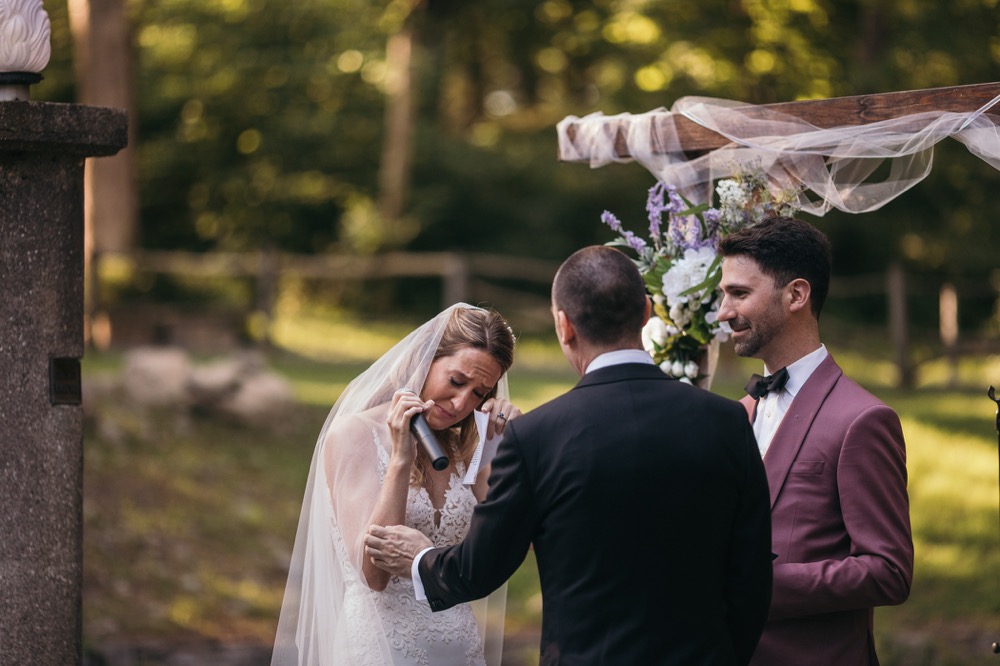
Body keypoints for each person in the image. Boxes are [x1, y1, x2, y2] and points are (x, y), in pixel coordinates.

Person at [364, 245, 773, 665]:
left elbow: (480, 569)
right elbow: (753, 574)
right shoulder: (727, 421)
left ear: (563, 325)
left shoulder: (537, 436)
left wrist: (421, 560)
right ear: (647, 311)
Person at [270, 304, 521, 666]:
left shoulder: (466, 451)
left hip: (459, 646)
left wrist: (509, 450)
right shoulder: (354, 435)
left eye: (479, 393)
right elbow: (373, 574)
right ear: (424, 360)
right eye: (456, 381)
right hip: (384, 649)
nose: (461, 403)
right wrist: (401, 460)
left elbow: (519, 540)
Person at [717, 215, 914, 666]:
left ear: (796, 295)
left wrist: (756, 586)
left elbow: (889, 571)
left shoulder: (862, 420)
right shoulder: (738, 414)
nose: (724, 312)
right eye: (724, 295)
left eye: (739, 294)